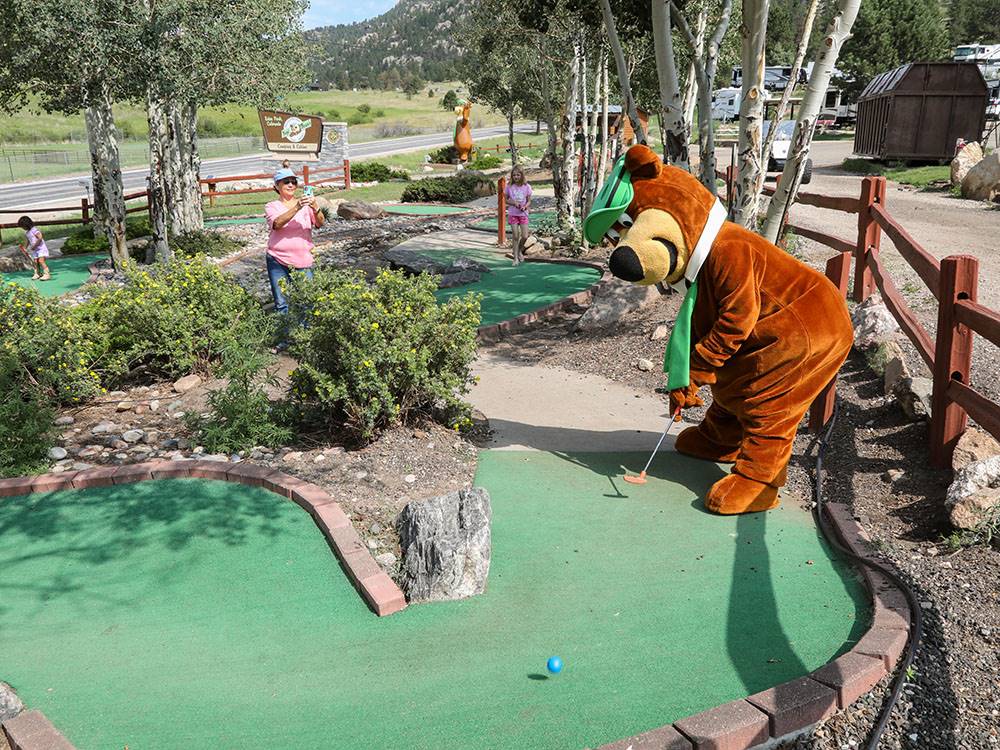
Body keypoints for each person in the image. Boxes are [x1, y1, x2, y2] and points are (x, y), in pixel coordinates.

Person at [264, 168, 325, 315]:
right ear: (276, 187)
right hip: (277, 260)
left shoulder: (306, 205)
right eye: (286, 182)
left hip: (303, 260)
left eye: (293, 182)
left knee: (307, 301)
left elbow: (320, 223)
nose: (291, 185)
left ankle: (305, 336)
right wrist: (297, 207)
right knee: (282, 303)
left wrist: (315, 207)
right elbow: (277, 224)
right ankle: (283, 337)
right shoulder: (271, 206)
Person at [505, 166, 532, 265]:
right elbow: (506, 200)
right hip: (513, 214)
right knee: (515, 236)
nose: (516, 177)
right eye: (514, 175)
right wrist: (513, 203)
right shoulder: (509, 186)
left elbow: (529, 201)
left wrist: (525, 206)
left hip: (523, 214)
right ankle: (515, 258)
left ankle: (519, 250)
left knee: (525, 236)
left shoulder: (527, 187)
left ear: (522, 175)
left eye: (518, 175)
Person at [17, 216, 50, 281]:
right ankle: (37, 273)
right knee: (35, 261)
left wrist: (35, 245)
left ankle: (47, 274)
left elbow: (40, 237)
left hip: (41, 248)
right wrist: (24, 248)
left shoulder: (34, 230)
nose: (22, 228)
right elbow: (27, 241)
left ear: (27, 224)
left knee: (41, 261)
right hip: (35, 250)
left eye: (23, 226)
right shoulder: (27, 232)